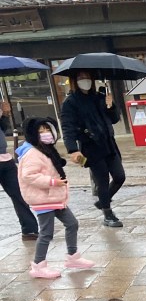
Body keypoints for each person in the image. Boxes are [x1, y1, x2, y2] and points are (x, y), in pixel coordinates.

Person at [16, 117, 94, 278]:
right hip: (43, 197)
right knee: (46, 233)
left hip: (54, 197)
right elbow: (28, 176)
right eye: (41, 131)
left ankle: (73, 257)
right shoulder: (32, 153)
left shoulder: (45, 149)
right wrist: (52, 182)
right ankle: (38, 265)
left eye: (47, 129)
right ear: (33, 133)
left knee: (72, 223)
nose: (46, 133)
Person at [60, 70, 125, 228]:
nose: (85, 80)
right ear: (75, 80)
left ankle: (103, 201)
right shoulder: (70, 102)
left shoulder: (99, 96)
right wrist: (72, 149)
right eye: (81, 77)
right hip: (91, 146)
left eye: (88, 77)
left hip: (109, 143)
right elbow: (67, 128)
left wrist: (110, 106)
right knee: (102, 181)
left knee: (119, 176)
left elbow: (114, 119)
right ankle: (108, 214)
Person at [0, 100, 38, 239]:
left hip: (5, 159)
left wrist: (4, 115)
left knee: (18, 193)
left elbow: (2, 129)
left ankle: (29, 230)